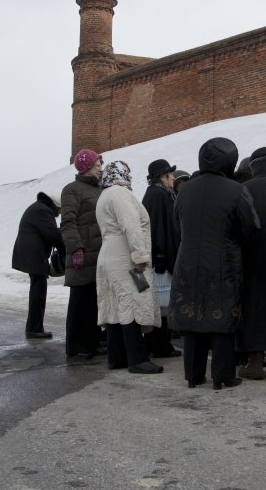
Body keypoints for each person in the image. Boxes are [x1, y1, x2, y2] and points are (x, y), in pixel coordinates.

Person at [169, 137, 260, 390]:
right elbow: (251, 226)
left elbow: (179, 224)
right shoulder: (235, 189)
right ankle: (223, 374)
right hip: (224, 260)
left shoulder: (185, 189)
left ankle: (193, 374)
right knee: (221, 315)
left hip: (187, 261)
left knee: (192, 315)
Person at [95, 160, 164, 374]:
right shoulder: (119, 193)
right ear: (119, 174)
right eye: (127, 172)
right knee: (132, 303)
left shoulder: (105, 194)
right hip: (125, 256)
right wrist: (140, 254)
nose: (131, 176)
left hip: (109, 255)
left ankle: (117, 358)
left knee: (117, 307)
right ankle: (137, 359)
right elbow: (131, 225)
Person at [237, 146, 266, 380]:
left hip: (252, 259)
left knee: (255, 309)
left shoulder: (244, 189)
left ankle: (254, 361)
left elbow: (239, 227)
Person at [61, 149, 105, 361]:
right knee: (80, 302)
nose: (100, 170)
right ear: (86, 167)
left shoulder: (98, 190)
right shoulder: (72, 190)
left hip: (98, 254)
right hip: (82, 254)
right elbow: (68, 222)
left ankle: (92, 342)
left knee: (93, 302)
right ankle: (76, 346)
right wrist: (76, 249)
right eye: (97, 166)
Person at [141, 159, 182, 358]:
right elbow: (159, 228)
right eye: (170, 174)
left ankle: (159, 344)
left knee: (160, 304)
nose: (173, 177)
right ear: (162, 177)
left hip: (161, 255)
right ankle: (160, 346)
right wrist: (162, 255)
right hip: (161, 258)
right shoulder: (158, 195)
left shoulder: (158, 193)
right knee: (160, 305)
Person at [11, 191, 64, 339]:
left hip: (31, 253)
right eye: (60, 209)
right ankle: (34, 329)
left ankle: (34, 327)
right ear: (56, 205)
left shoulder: (38, 208)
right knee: (38, 291)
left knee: (38, 289)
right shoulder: (42, 210)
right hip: (33, 254)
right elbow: (53, 235)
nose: (60, 212)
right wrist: (66, 251)